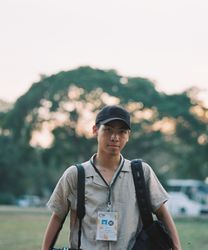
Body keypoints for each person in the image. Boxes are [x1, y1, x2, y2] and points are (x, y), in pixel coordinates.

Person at [41, 105, 182, 250]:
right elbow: (57, 217)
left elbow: (162, 213)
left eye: (122, 132)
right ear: (95, 130)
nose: (115, 137)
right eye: (108, 130)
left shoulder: (140, 173)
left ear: (128, 136)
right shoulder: (76, 175)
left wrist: (177, 247)